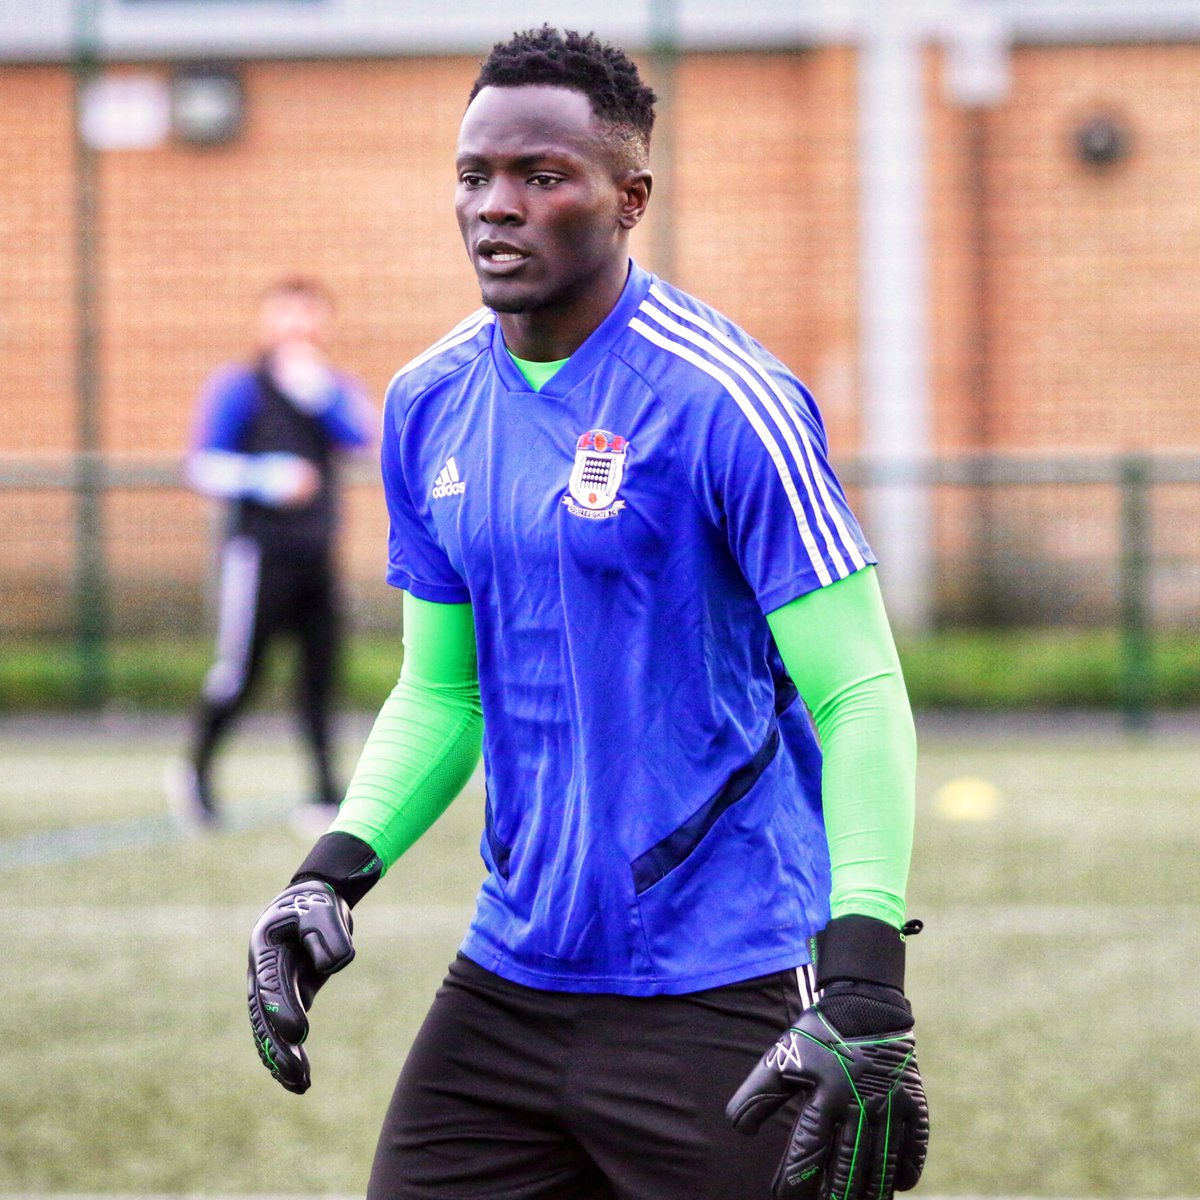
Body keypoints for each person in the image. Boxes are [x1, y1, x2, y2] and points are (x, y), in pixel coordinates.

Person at [247, 27, 928, 1200]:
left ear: (629, 198)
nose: (496, 208)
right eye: (475, 177)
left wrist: (865, 973)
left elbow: (857, 689)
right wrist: (332, 873)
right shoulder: (426, 403)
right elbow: (443, 688)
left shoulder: (728, 401)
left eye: (542, 177)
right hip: (513, 979)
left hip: (723, 983)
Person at [170, 277, 375, 833]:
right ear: (266, 323)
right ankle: (196, 775)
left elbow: (363, 437)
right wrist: (264, 478)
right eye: (287, 316)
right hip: (258, 557)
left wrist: (323, 396)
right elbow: (202, 464)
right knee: (241, 673)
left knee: (320, 677)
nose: (298, 328)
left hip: (316, 557)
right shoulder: (239, 387)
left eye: (309, 317)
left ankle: (325, 793)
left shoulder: (330, 387)